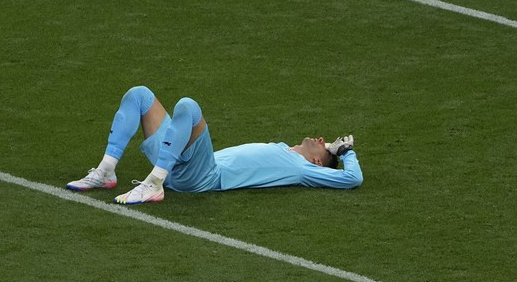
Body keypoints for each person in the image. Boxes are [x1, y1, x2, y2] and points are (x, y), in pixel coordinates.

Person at [67, 85, 362, 204]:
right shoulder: (286, 150)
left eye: (326, 147)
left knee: (189, 106)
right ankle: (107, 171)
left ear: (319, 162)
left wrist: (345, 152)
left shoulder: (302, 170)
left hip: (205, 176)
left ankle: (154, 182)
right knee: (140, 95)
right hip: (180, 162)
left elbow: (353, 178)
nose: (322, 141)